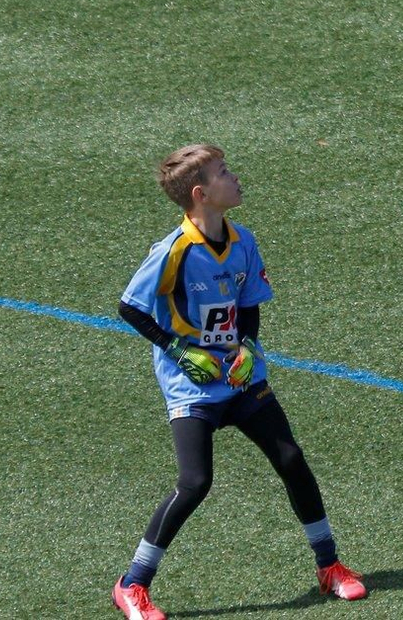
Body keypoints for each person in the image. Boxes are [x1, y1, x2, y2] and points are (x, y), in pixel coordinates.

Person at [113, 145, 364, 620]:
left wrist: (247, 347)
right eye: (224, 173)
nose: (235, 178)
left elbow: (248, 304)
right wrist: (179, 351)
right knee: (194, 482)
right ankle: (131, 585)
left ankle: (329, 566)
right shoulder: (173, 251)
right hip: (192, 386)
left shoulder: (243, 240)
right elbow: (130, 308)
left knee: (291, 459)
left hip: (241, 377)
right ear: (201, 194)